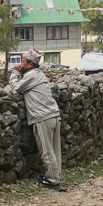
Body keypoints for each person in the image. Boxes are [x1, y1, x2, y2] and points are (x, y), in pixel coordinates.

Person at [9, 48, 64, 191]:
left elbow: (16, 87)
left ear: (30, 64)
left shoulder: (32, 75)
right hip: (53, 114)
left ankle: (53, 180)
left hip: (42, 117)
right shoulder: (39, 74)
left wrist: (15, 72)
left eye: (23, 61)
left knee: (46, 150)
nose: (20, 64)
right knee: (55, 149)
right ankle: (56, 176)